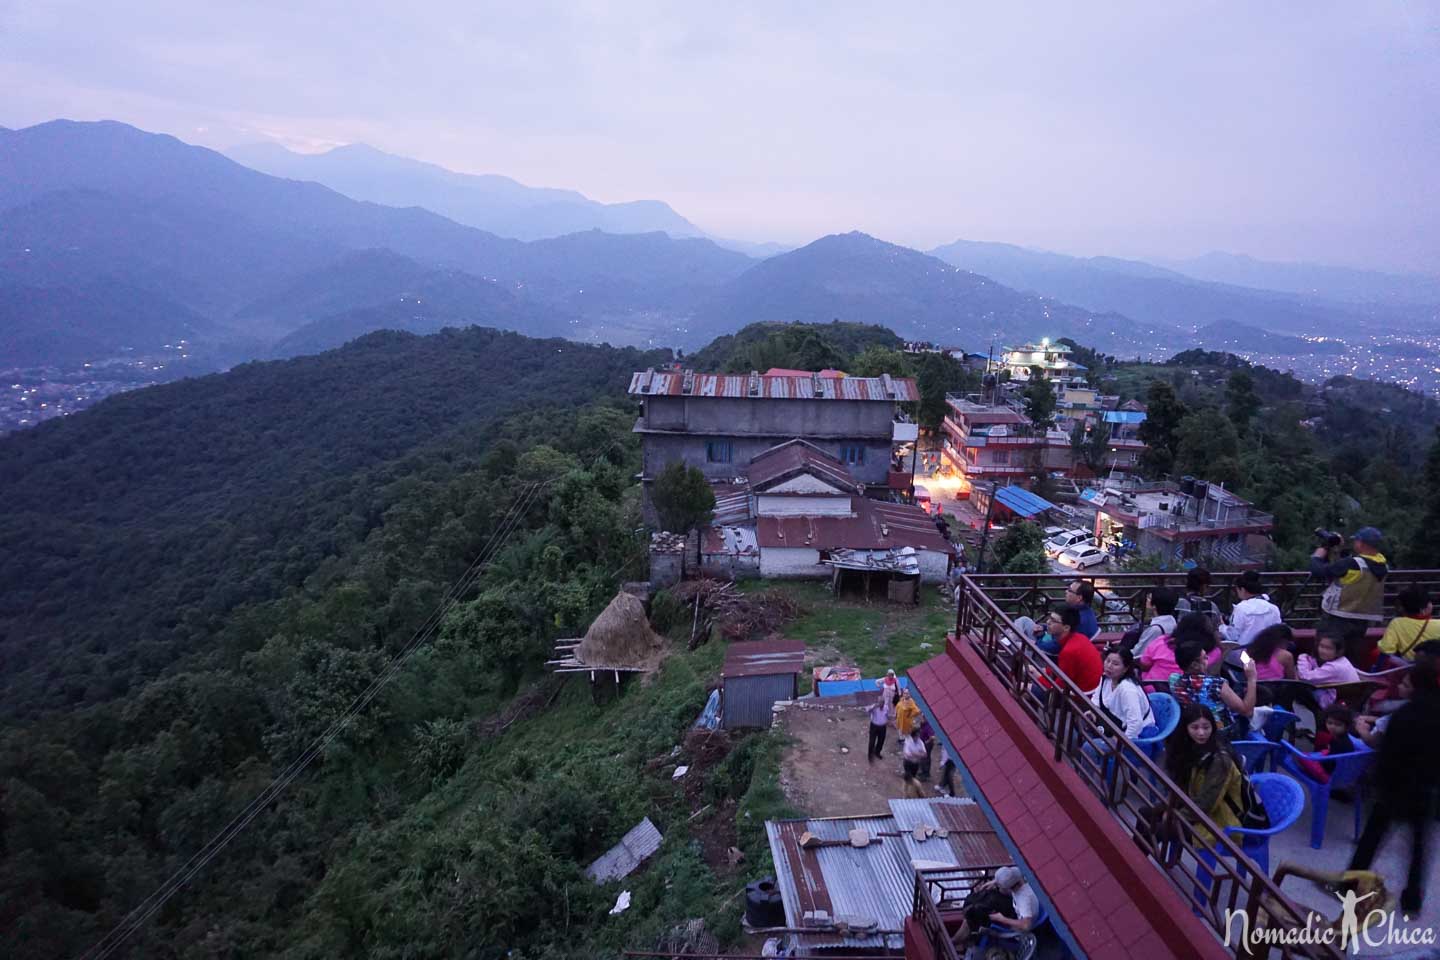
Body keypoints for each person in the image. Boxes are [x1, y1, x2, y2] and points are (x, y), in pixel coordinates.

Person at [1348, 660, 1440, 913]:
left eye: (1406, 682)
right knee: (1419, 850)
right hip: (1427, 791)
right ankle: (1412, 902)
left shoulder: (1403, 715)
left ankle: (1349, 884)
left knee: (1372, 840)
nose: (1401, 685)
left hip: (1395, 788)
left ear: (1417, 687)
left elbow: (1386, 752)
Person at [1163, 703, 1249, 843]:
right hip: (1193, 807)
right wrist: (1169, 808)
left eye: (1206, 727)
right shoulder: (1189, 749)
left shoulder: (1220, 760)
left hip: (1219, 819)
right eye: (1195, 727)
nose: (1201, 733)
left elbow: (1207, 803)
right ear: (1185, 729)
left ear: (1213, 727)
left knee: (1159, 827)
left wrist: (1174, 815)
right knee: (1146, 813)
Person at [1311, 526, 1389, 667]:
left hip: (1336, 618)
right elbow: (1348, 573)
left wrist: (1317, 555)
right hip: (1361, 621)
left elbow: (1319, 571)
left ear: (1361, 543)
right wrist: (1339, 551)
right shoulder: (1382, 565)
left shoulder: (1352, 564)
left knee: (1325, 656)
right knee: (1350, 659)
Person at [1169, 640, 1258, 736]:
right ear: (1194, 665)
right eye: (1204, 658)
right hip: (1220, 733)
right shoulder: (1217, 684)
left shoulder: (1174, 680)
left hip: (1192, 732)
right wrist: (1251, 678)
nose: (1208, 658)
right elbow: (1247, 711)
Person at [1089, 646, 1154, 738]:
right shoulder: (1105, 679)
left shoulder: (1128, 690)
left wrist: (1119, 743)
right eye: (1107, 661)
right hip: (1112, 724)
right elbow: (1096, 700)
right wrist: (1092, 712)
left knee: (1090, 747)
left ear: (1125, 668)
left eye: (1115, 664)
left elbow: (1135, 724)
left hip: (1133, 734)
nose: (1109, 666)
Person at [1139, 612, 1222, 683]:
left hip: (1151, 690)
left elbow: (1144, 664)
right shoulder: (1213, 652)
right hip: (1187, 695)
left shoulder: (1162, 642)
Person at [1042, 606, 1103, 694]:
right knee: (1032, 671)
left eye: (1053, 621)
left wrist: (1038, 678)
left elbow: (1060, 686)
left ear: (1066, 627)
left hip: (1078, 697)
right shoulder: (1079, 637)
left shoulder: (1069, 650)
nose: (1048, 622)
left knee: (1022, 685)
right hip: (1086, 688)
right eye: (1049, 618)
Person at [1297, 630, 1360, 710]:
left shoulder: (1334, 667)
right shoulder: (1343, 660)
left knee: (1299, 686)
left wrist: (1302, 657)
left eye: (1328, 648)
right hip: (1345, 700)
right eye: (1321, 646)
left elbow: (1305, 677)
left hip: (1334, 704)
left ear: (1338, 652)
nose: (1323, 651)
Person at [1295, 706, 1357, 783]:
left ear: (1346, 726)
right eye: (1329, 723)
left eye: (1338, 724)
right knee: (1323, 751)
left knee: (1302, 756)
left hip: (1329, 775)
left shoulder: (1339, 742)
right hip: (1337, 769)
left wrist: (1318, 762)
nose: (1332, 727)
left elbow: (1329, 765)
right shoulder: (1341, 737)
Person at [1379, 585, 1440, 662]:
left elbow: (1386, 650)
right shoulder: (1438, 625)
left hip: (1407, 669)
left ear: (1403, 607)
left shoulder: (1397, 623)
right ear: (1425, 607)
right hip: (1433, 669)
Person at [1222, 570, 1283, 646]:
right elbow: (1279, 631)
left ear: (1242, 590)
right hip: (1269, 650)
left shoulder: (1241, 608)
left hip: (1245, 651)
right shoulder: (1273, 608)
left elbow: (1232, 636)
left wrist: (1223, 626)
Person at [1130, 586, 1179, 658]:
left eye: (1149, 598)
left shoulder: (1155, 629)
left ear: (1154, 606)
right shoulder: (1174, 623)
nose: (1147, 600)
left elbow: (1137, 653)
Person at [866, 694, 889, 763]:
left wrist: (888, 721)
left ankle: (877, 752)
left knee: (881, 741)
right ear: (878, 702)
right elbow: (867, 710)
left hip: (883, 727)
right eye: (880, 702)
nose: (881, 704)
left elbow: (887, 715)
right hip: (874, 726)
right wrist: (873, 707)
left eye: (882, 703)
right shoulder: (874, 707)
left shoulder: (886, 707)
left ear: (884, 703)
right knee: (872, 742)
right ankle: (870, 756)